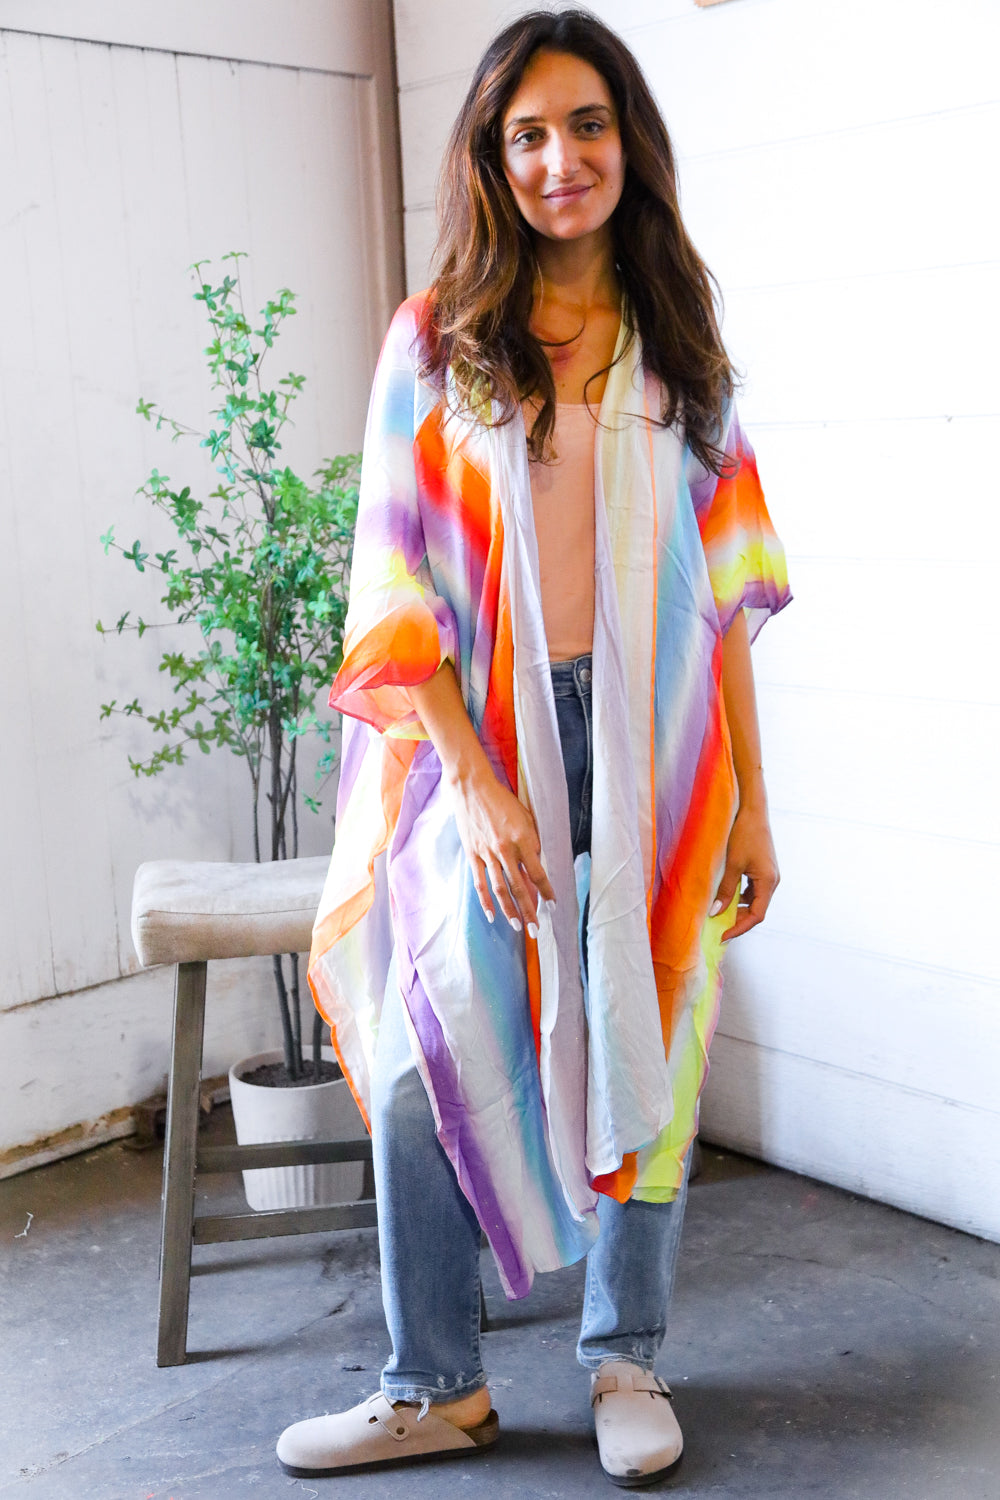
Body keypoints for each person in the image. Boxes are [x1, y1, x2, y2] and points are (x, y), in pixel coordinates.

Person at [278, 8, 791, 1487]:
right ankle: (432, 1380)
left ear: (628, 141)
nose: (560, 159)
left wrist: (752, 804)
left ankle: (626, 1356)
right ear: (492, 161)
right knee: (428, 1033)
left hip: (657, 737)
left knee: (654, 1030)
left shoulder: (678, 339)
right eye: (527, 135)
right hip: (478, 743)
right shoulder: (438, 337)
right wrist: (485, 784)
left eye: (586, 125)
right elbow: (398, 582)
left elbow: (736, 590)